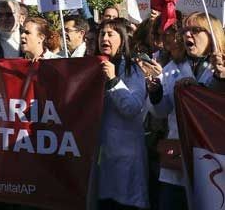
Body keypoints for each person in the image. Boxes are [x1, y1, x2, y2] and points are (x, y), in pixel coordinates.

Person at [139, 12, 225, 210]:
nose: (187, 35)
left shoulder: (222, 66)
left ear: (213, 34)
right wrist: (156, 90)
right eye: (185, 30)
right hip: (177, 163)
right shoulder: (173, 68)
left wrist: (217, 83)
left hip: (214, 161)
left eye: (195, 30)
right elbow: (160, 112)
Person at [96, 18, 149, 209]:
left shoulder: (132, 69)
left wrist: (113, 81)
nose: (105, 38)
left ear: (123, 39)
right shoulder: (94, 66)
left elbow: (132, 108)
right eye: (102, 34)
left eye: (111, 34)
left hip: (126, 158)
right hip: (102, 157)